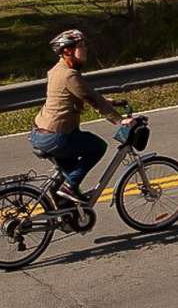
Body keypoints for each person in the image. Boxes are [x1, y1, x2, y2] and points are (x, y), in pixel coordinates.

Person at [31, 29, 129, 203]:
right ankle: (68, 187)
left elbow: (80, 94)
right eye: (81, 46)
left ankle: (64, 208)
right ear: (67, 50)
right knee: (97, 147)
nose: (85, 49)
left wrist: (111, 102)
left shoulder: (57, 70)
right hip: (57, 137)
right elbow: (93, 100)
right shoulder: (69, 75)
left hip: (40, 133)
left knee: (70, 171)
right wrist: (120, 120)